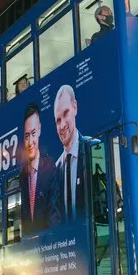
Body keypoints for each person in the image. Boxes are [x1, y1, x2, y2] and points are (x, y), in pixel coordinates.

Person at [52, 85, 91, 223]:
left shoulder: (93, 149)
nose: (62, 126)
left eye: (66, 113)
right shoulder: (55, 170)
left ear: (75, 107)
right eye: (58, 120)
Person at [19, 103, 55, 236]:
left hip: (49, 246)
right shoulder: (22, 175)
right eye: (27, 136)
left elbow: (54, 215)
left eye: (33, 133)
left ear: (39, 130)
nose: (30, 142)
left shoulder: (50, 168)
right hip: (30, 250)